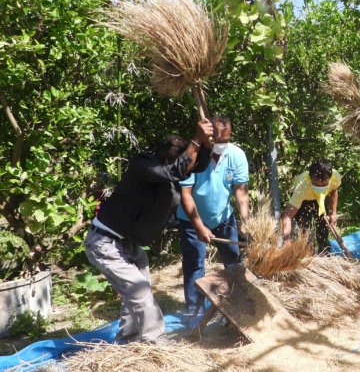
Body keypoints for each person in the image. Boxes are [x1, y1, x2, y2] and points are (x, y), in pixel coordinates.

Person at [84, 119, 213, 343]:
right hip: (105, 243)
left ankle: (128, 339)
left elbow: (195, 165)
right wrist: (197, 139)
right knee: (140, 290)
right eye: (181, 161)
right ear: (167, 159)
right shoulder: (144, 165)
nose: (187, 168)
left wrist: (207, 144)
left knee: (132, 295)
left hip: (129, 244)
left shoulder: (168, 171)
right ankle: (157, 343)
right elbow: (180, 168)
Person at [177, 115, 249, 316]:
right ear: (207, 136)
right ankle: (194, 313)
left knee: (234, 263)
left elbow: (241, 191)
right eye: (218, 141)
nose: (222, 146)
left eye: (226, 141)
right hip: (191, 219)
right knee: (194, 265)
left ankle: (238, 306)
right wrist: (199, 226)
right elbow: (186, 195)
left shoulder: (236, 155)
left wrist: (245, 220)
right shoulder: (192, 157)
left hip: (223, 218)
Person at [280, 160, 341, 254]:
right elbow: (287, 216)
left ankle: (325, 254)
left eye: (324, 184)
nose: (320, 186)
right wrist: (286, 239)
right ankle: (306, 254)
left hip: (321, 197)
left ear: (329, 178)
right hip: (304, 200)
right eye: (316, 184)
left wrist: (333, 213)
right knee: (305, 229)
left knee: (323, 226)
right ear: (310, 178)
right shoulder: (301, 188)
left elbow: (333, 192)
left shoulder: (335, 177)